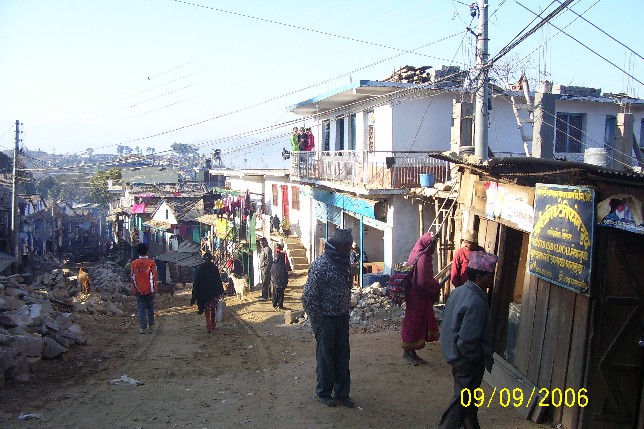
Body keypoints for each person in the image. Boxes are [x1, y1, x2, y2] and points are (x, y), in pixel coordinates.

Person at [438, 251, 498, 429]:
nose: (491, 280)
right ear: (478, 277)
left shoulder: (459, 292)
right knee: (460, 406)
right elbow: (467, 341)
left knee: (468, 403)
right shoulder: (476, 302)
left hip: (454, 355)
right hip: (466, 361)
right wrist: (476, 358)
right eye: (489, 276)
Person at [302, 228, 355, 408]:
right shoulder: (321, 265)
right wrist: (320, 322)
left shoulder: (344, 262)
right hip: (326, 319)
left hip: (342, 316)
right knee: (325, 357)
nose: (351, 249)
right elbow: (308, 297)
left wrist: (345, 309)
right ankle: (324, 392)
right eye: (349, 246)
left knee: (342, 356)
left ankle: (342, 393)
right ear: (340, 247)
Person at [401, 231, 441, 365]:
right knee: (415, 323)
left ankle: (410, 352)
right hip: (418, 297)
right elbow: (423, 282)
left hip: (413, 294)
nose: (434, 248)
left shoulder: (416, 253)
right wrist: (435, 287)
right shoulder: (423, 258)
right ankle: (408, 352)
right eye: (433, 245)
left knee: (412, 321)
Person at [191, 252, 225, 333]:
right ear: (211, 259)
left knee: (207, 309)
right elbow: (218, 280)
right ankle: (213, 325)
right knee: (213, 308)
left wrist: (195, 295)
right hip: (214, 292)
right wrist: (221, 291)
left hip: (204, 293)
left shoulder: (201, 268)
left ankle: (209, 326)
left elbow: (197, 281)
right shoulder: (214, 268)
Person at [130, 242, 158, 334]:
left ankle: (143, 328)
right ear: (147, 251)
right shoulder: (151, 262)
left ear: (137, 251)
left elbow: (133, 277)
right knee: (150, 307)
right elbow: (152, 277)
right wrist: (153, 290)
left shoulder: (134, 263)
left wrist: (136, 289)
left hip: (139, 290)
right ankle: (151, 326)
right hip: (149, 290)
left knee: (141, 309)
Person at [271, 245, 289, 309]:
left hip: (275, 281)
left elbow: (272, 272)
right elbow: (286, 274)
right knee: (281, 294)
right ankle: (280, 305)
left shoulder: (274, 265)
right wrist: (286, 282)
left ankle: (274, 304)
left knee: (275, 294)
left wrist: (272, 280)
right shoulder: (283, 266)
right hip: (281, 282)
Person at [258, 237, 273, 301]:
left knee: (265, 283)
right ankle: (268, 295)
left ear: (265, 242)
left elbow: (269, 261)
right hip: (263, 269)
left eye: (262, 243)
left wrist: (266, 270)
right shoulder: (264, 249)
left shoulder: (267, 249)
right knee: (266, 283)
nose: (261, 244)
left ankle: (264, 296)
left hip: (265, 269)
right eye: (260, 243)